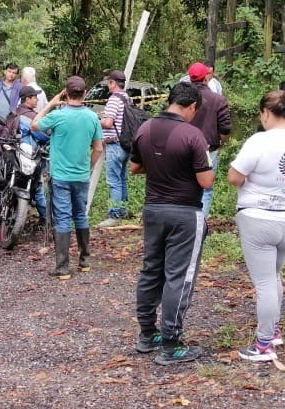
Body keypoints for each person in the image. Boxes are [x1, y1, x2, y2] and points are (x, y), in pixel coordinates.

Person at [227, 88, 285, 362]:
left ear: (266, 113)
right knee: (274, 275)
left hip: (259, 218)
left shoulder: (259, 141)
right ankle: (274, 329)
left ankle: (264, 344)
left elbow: (234, 176)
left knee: (265, 281)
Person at [130, 82, 214, 365]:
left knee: (151, 270)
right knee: (179, 277)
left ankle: (146, 334)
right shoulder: (192, 135)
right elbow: (206, 181)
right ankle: (171, 344)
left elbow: (135, 167)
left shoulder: (145, 128)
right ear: (191, 106)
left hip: (153, 209)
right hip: (184, 213)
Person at [32, 75, 104, 279]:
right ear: (85, 93)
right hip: (81, 176)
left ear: (66, 92)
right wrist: (88, 166)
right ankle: (85, 260)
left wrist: (51, 104)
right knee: (80, 214)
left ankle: (63, 267)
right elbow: (98, 148)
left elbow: (35, 125)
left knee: (63, 217)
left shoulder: (58, 115)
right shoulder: (92, 117)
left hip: (61, 176)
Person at [185, 61, 232, 214]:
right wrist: (220, 142)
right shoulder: (217, 99)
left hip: (183, 148)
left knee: (184, 185)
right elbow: (225, 127)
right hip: (208, 149)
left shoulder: (181, 99)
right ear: (206, 78)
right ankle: (200, 225)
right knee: (205, 189)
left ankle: (185, 222)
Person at [5, 84, 51, 225]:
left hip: (12, 154)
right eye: (35, 97)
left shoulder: (13, 113)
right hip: (29, 155)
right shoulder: (31, 116)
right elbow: (42, 135)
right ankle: (46, 218)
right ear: (27, 99)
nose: (37, 100)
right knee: (37, 186)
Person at [97, 70, 132, 228]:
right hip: (125, 144)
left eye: (108, 83)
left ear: (113, 83)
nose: (107, 86)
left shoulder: (113, 100)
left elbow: (108, 123)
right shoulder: (126, 98)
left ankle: (114, 214)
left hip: (114, 144)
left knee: (113, 180)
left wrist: (97, 121)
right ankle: (124, 210)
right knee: (122, 178)